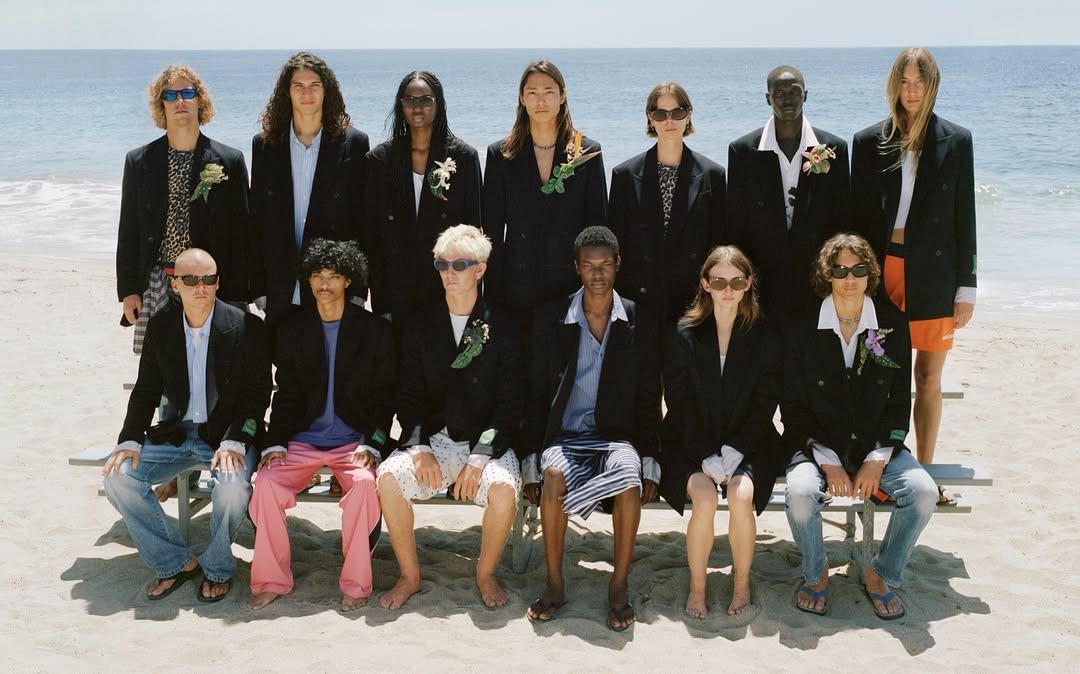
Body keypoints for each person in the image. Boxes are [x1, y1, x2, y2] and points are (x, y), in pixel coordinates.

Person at [782, 233, 937, 620]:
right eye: (839, 270)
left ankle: (880, 573)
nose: (849, 278)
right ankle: (816, 574)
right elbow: (793, 409)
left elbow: (899, 403)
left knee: (923, 493)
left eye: (858, 269)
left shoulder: (892, 324)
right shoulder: (801, 327)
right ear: (826, 275)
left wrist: (877, 457)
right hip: (817, 448)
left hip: (876, 447)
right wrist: (828, 461)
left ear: (871, 273)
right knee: (799, 495)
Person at [103, 248, 271, 603]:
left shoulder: (247, 327)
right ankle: (176, 561)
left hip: (227, 438)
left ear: (218, 282)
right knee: (119, 478)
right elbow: (146, 391)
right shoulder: (161, 327)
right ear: (175, 284)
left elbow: (258, 397)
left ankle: (218, 566)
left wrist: (236, 441)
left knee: (232, 489)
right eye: (191, 280)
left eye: (208, 279)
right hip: (177, 435)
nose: (201, 287)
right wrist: (129, 439)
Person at [376, 225, 524, 610]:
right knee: (388, 478)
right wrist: (419, 446)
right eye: (442, 264)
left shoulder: (504, 324)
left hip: (485, 443)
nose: (449, 272)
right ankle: (409, 576)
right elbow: (408, 397)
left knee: (503, 491)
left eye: (460, 264)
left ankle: (485, 573)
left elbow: (510, 405)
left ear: (480, 269)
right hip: (435, 441)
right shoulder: (419, 323)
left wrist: (480, 456)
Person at [851, 47, 977, 504]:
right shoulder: (868, 141)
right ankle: (876, 463)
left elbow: (965, 216)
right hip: (881, 270)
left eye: (919, 82)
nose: (911, 91)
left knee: (927, 377)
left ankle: (923, 472)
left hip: (936, 275)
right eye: (904, 82)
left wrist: (967, 286)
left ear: (932, 85)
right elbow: (856, 217)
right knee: (877, 373)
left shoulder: (956, 140)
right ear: (894, 85)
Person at [522, 226, 662, 632]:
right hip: (565, 437)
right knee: (553, 475)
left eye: (605, 265)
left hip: (615, 437)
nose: (597, 274)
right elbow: (535, 396)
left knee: (628, 477)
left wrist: (650, 459)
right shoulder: (552, 318)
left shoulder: (638, 319)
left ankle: (619, 586)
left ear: (618, 265)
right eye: (589, 266)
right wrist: (531, 461)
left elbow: (649, 397)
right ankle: (554, 583)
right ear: (576, 269)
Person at [247, 239, 393, 612]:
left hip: (353, 443)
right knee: (265, 484)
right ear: (308, 280)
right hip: (303, 440)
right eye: (317, 275)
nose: (324, 284)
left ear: (348, 281)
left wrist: (373, 443)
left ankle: (356, 584)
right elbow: (287, 393)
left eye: (333, 276)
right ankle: (272, 580)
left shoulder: (373, 329)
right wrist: (275, 442)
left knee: (364, 487)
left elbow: (384, 396)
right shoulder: (294, 329)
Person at [659, 245, 782, 619]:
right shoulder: (683, 332)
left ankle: (741, 585)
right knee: (705, 499)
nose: (728, 290)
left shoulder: (764, 334)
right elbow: (677, 401)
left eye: (736, 282)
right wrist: (704, 454)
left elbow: (766, 401)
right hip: (689, 440)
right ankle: (698, 589)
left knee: (740, 496)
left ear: (748, 284)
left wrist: (736, 449)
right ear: (705, 284)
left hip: (750, 440)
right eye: (719, 282)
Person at [117, 65, 253, 354]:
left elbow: (242, 235)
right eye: (170, 95)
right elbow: (129, 229)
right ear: (161, 104)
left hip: (210, 284)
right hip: (158, 283)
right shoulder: (139, 161)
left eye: (187, 93)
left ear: (199, 100)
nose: (179, 100)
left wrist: (239, 294)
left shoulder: (229, 160)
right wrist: (129, 290)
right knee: (162, 369)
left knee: (215, 363)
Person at [483, 60, 607, 338]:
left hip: (569, 286)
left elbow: (597, 228)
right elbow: (491, 231)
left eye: (549, 92)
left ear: (562, 96)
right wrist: (491, 298)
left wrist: (594, 288)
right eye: (532, 92)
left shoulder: (588, 152)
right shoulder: (500, 155)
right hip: (515, 288)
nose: (541, 101)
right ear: (521, 98)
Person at [251, 52, 370, 325]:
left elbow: (362, 220)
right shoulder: (265, 145)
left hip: (333, 285)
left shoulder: (354, 144)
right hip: (280, 285)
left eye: (315, 85)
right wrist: (258, 286)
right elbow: (257, 219)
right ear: (287, 92)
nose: (307, 93)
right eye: (298, 86)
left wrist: (359, 289)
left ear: (327, 90)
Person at [727, 65, 850, 320]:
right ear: (767, 98)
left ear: (806, 95)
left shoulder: (833, 149)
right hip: (762, 284)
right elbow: (737, 224)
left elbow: (841, 220)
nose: (787, 99)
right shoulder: (743, 151)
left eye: (794, 92)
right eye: (779, 93)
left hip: (817, 283)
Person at [366, 71, 482, 327]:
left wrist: (472, 297)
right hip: (395, 289)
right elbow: (372, 236)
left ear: (438, 104)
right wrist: (378, 297)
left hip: (446, 286)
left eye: (425, 100)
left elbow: (474, 231)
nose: (417, 107)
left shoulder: (464, 158)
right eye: (409, 100)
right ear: (400, 105)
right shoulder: (380, 160)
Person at [609, 81, 727, 327]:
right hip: (638, 299)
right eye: (661, 114)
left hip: (693, 301)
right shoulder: (624, 175)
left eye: (677, 113)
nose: (669, 121)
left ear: (689, 115)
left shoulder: (713, 175)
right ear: (650, 119)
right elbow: (617, 244)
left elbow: (718, 244)